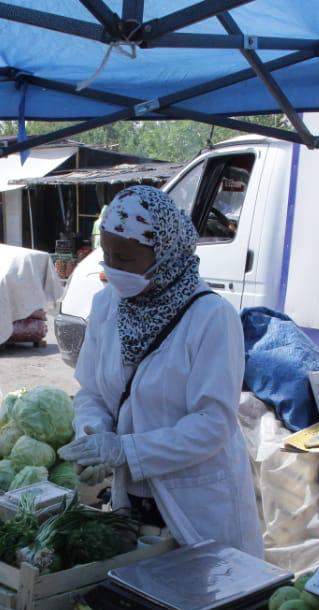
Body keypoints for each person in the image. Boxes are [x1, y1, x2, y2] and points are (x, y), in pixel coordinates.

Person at [59, 185, 261, 557]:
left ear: (165, 254)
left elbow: (212, 423)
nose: (112, 268)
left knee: (208, 600)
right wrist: (95, 436)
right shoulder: (107, 307)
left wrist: (126, 449)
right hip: (132, 502)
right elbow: (91, 392)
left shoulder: (212, 318)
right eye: (107, 255)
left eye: (125, 258)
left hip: (198, 504)